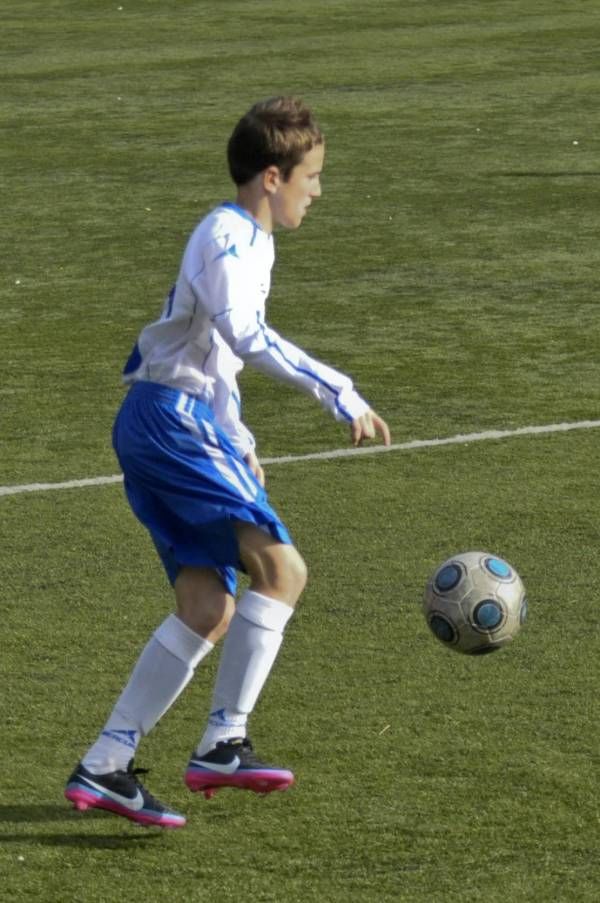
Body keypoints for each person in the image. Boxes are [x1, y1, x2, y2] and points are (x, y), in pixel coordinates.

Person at [65, 96, 391, 828]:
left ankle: (107, 763)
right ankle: (223, 741)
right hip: (168, 423)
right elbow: (243, 336)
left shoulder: (247, 240)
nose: (318, 190)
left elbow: (214, 361)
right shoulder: (226, 236)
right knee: (283, 571)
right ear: (271, 176)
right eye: (312, 176)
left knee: (208, 608)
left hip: (167, 421)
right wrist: (337, 388)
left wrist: (240, 443)